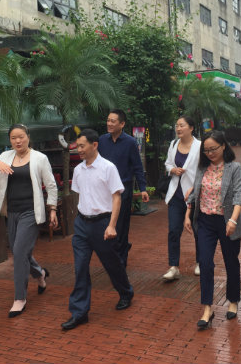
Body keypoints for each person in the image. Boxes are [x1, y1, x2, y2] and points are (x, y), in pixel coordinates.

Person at [0, 124, 58, 317]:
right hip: (11, 212)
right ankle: (40, 273)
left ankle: (19, 298)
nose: (18, 141)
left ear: (28, 137)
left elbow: (51, 185)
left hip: (31, 212)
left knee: (20, 252)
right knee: (19, 251)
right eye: (13, 138)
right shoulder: (5, 157)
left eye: (21, 137)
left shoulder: (39, 158)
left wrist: (52, 209)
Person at [62, 129, 134, 330]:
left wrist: (111, 225)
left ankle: (126, 292)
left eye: (82, 146)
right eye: (77, 146)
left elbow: (117, 197)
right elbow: (81, 195)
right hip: (82, 224)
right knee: (80, 268)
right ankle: (79, 312)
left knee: (112, 264)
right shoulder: (78, 170)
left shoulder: (108, 168)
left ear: (94, 145)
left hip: (103, 224)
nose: (78, 150)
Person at [184, 131, 241, 330]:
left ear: (223, 146)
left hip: (227, 221)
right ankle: (207, 308)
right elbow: (195, 193)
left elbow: (239, 194)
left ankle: (233, 300)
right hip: (205, 221)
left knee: (231, 261)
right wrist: (187, 214)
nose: (210, 153)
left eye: (213, 149)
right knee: (205, 263)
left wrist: (233, 220)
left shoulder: (233, 168)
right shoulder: (202, 167)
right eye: (206, 150)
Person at [98, 109, 149, 267]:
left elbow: (137, 167)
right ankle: (114, 255)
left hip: (123, 189)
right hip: (105, 189)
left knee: (121, 225)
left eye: (113, 121)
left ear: (122, 124)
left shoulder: (130, 142)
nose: (109, 123)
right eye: (108, 120)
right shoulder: (102, 141)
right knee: (106, 223)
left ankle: (121, 259)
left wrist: (143, 188)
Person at [162, 116, 202, 280]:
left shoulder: (200, 146)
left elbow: (205, 168)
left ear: (191, 128)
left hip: (195, 195)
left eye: (182, 125)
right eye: (177, 125)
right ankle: (173, 266)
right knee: (173, 231)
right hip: (176, 195)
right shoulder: (173, 144)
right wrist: (173, 170)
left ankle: (200, 262)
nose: (178, 128)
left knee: (198, 231)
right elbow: (168, 163)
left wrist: (197, 186)